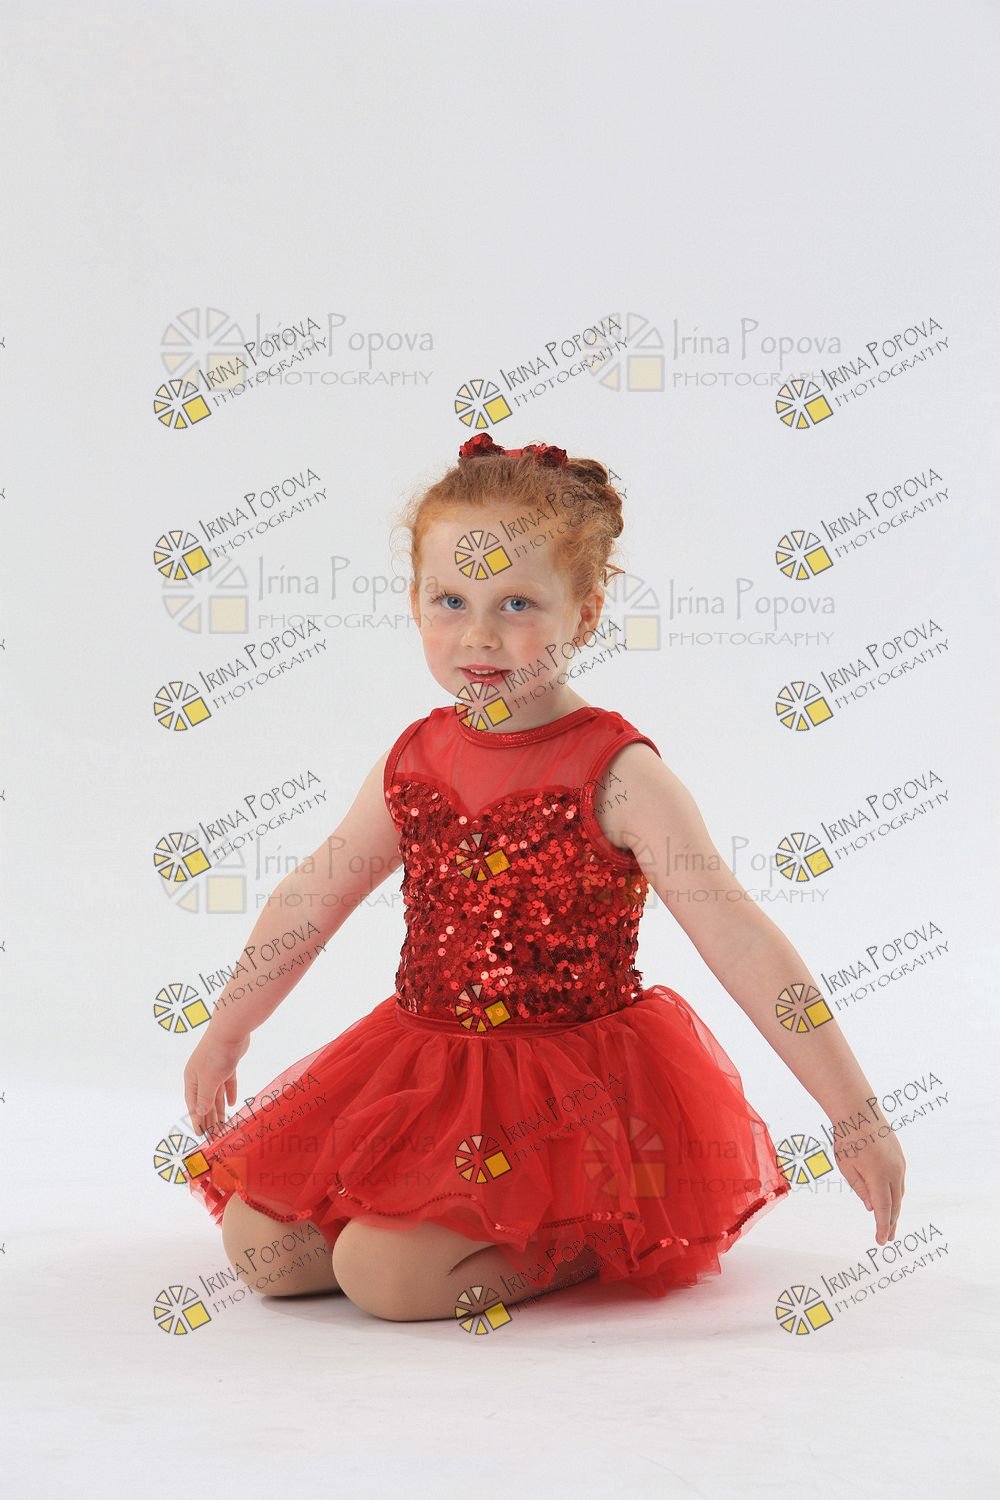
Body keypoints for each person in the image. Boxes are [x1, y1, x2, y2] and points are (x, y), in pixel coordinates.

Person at [183, 432, 906, 1324]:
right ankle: (414, 1224)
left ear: (585, 615)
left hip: (562, 1097)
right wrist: (228, 1031)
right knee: (262, 1247)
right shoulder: (415, 757)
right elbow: (310, 896)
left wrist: (854, 1112)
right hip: (426, 1064)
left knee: (385, 1279)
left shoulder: (618, 775)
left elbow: (740, 939)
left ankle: (590, 1236)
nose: (480, 636)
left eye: (517, 603)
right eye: (451, 601)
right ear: (414, 603)